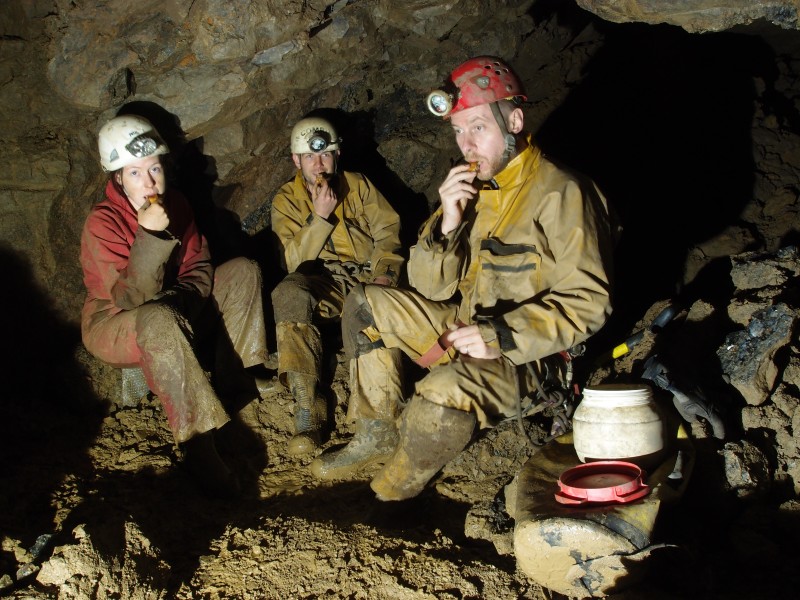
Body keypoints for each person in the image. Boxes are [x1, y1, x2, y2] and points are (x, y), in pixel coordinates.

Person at [310, 56, 618, 501]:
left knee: (439, 395)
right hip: (462, 327)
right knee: (365, 303)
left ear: (513, 120)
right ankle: (376, 430)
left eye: (477, 128)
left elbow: (590, 301)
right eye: (458, 130)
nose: (467, 144)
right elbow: (429, 289)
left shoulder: (563, 192)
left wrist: (499, 334)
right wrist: (447, 226)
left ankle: (391, 495)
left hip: (528, 357)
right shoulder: (472, 187)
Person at [80, 114, 272, 497]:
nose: (150, 182)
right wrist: (150, 234)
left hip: (174, 305)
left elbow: (199, 265)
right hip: (115, 324)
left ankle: (237, 381)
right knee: (158, 315)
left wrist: (182, 299)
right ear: (117, 177)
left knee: (242, 271)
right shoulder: (102, 223)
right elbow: (129, 298)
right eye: (135, 173)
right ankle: (198, 443)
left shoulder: (179, 204)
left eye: (154, 168)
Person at [270, 116, 405, 456]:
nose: (319, 164)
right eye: (310, 157)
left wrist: (384, 274)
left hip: (364, 279)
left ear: (338, 154)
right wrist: (319, 217)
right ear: (296, 160)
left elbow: (388, 234)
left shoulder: (358, 185)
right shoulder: (285, 200)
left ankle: (377, 422)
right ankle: (307, 406)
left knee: (374, 309)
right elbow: (293, 263)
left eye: (326, 155)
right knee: (288, 291)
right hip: (322, 282)